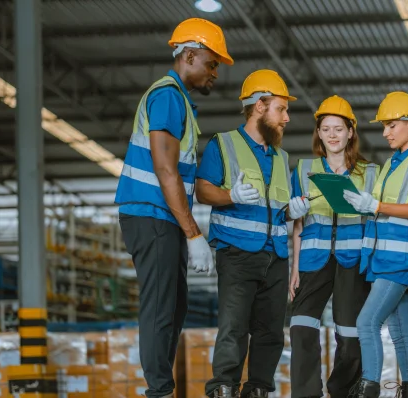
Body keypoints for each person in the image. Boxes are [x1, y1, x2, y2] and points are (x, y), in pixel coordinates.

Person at [113, 18, 233, 398]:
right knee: (161, 308)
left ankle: (161, 388)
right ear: (190, 55)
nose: (215, 73)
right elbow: (165, 170)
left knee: (174, 306)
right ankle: (160, 392)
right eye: (211, 64)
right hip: (149, 214)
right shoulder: (167, 96)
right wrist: (193, 232)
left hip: (160, 215)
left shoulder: (179, 99)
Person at [196, 69, 309, 398]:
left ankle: (258, 389)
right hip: (237, 252)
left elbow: (278, 207)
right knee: (233, 327)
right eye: (281, 109)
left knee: (271, 332)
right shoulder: (224, 144)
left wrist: (293, 211)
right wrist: (231, 196)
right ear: (260, 106)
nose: (286, 118)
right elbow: (203, 190)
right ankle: (224, 388)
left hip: (275, 255)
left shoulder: (281, 157)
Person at [343, 92, 408, 398]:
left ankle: (368, 388)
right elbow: (382, 210)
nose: (385, 132)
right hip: (386, 258)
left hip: (400, 258)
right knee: (400, 332)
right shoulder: (392, 164)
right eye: (384, 126)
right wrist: (367, 205)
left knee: (366, 322)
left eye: (391, 125)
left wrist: (377, 205)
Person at [289, 95, 379, 398]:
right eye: (325, 129)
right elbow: (297, 225)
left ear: (351, 132)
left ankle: (342, 392)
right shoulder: (304, 169)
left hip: (353, 261)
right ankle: (306, 394)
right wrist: (294, 270)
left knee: (351, 336)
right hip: (313, 259)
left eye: (338, 129)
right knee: (301, 327)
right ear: (318, 133)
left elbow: (378, 220)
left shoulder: (369, 174)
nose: (332, 135)